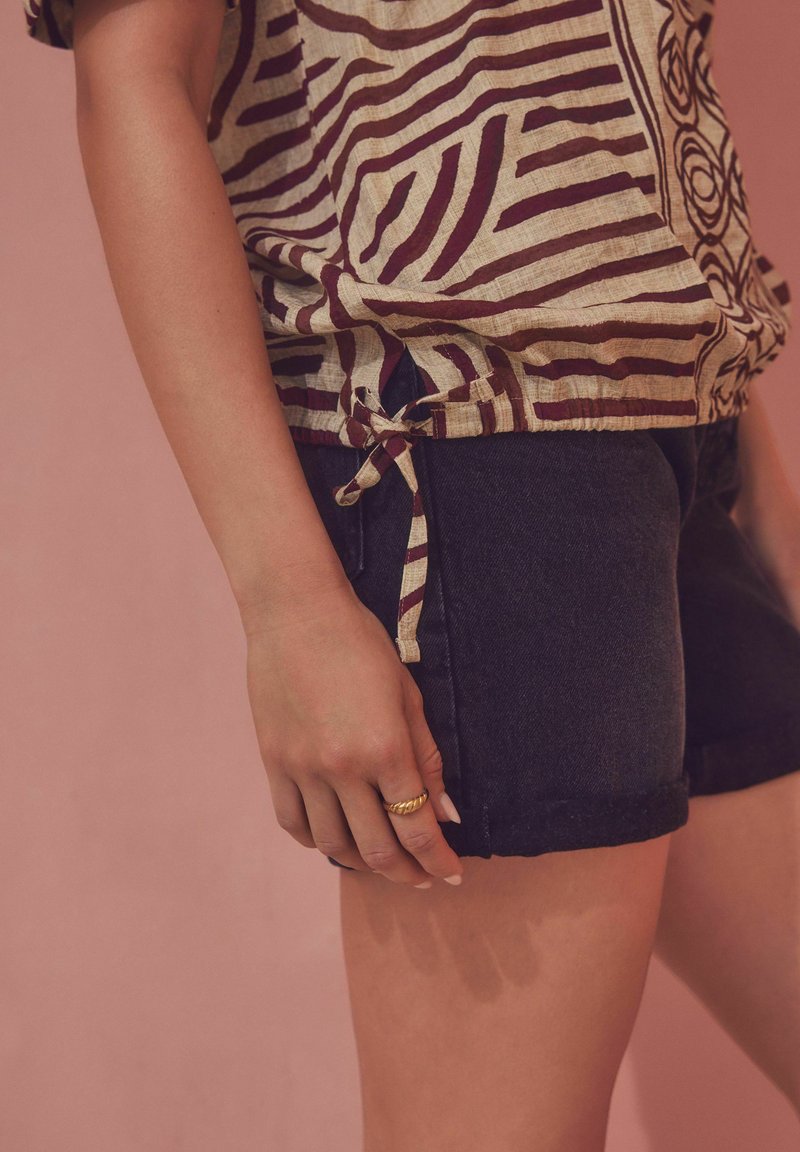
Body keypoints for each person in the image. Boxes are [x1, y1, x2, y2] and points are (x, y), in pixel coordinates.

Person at [22, 0, 800, 1147]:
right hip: (473, 444)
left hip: (686, 431)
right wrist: (286, 601)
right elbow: (132, 76)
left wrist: (760, 496)